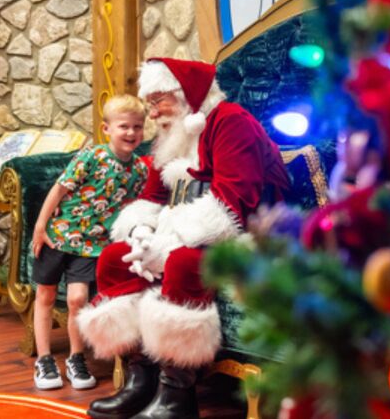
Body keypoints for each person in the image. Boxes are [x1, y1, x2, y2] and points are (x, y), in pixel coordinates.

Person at [77, 58, 290, 419]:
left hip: (249, 234)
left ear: (186, 94)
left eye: (160, 99)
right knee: (116, 256)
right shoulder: (171, 133)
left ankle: (178, 393)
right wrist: (142, 235)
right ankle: (139, 379)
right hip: (189, 228)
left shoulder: (231, 121)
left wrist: (167, 245)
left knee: (182, 262)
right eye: (151, 100)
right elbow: (151, 198)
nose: (153, 110)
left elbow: (231, 205)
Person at [30, 94, 149, 390]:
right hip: (59, 237)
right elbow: (59, 190)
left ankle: (76, 356)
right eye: (124, 126)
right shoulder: (90, 157)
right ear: (106, 129)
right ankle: (44, 359)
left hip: (92, 246)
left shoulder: (140, 170)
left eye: (138, 126)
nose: (131, 133)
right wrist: (40, 226)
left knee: (77, 301)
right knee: (45, 295)